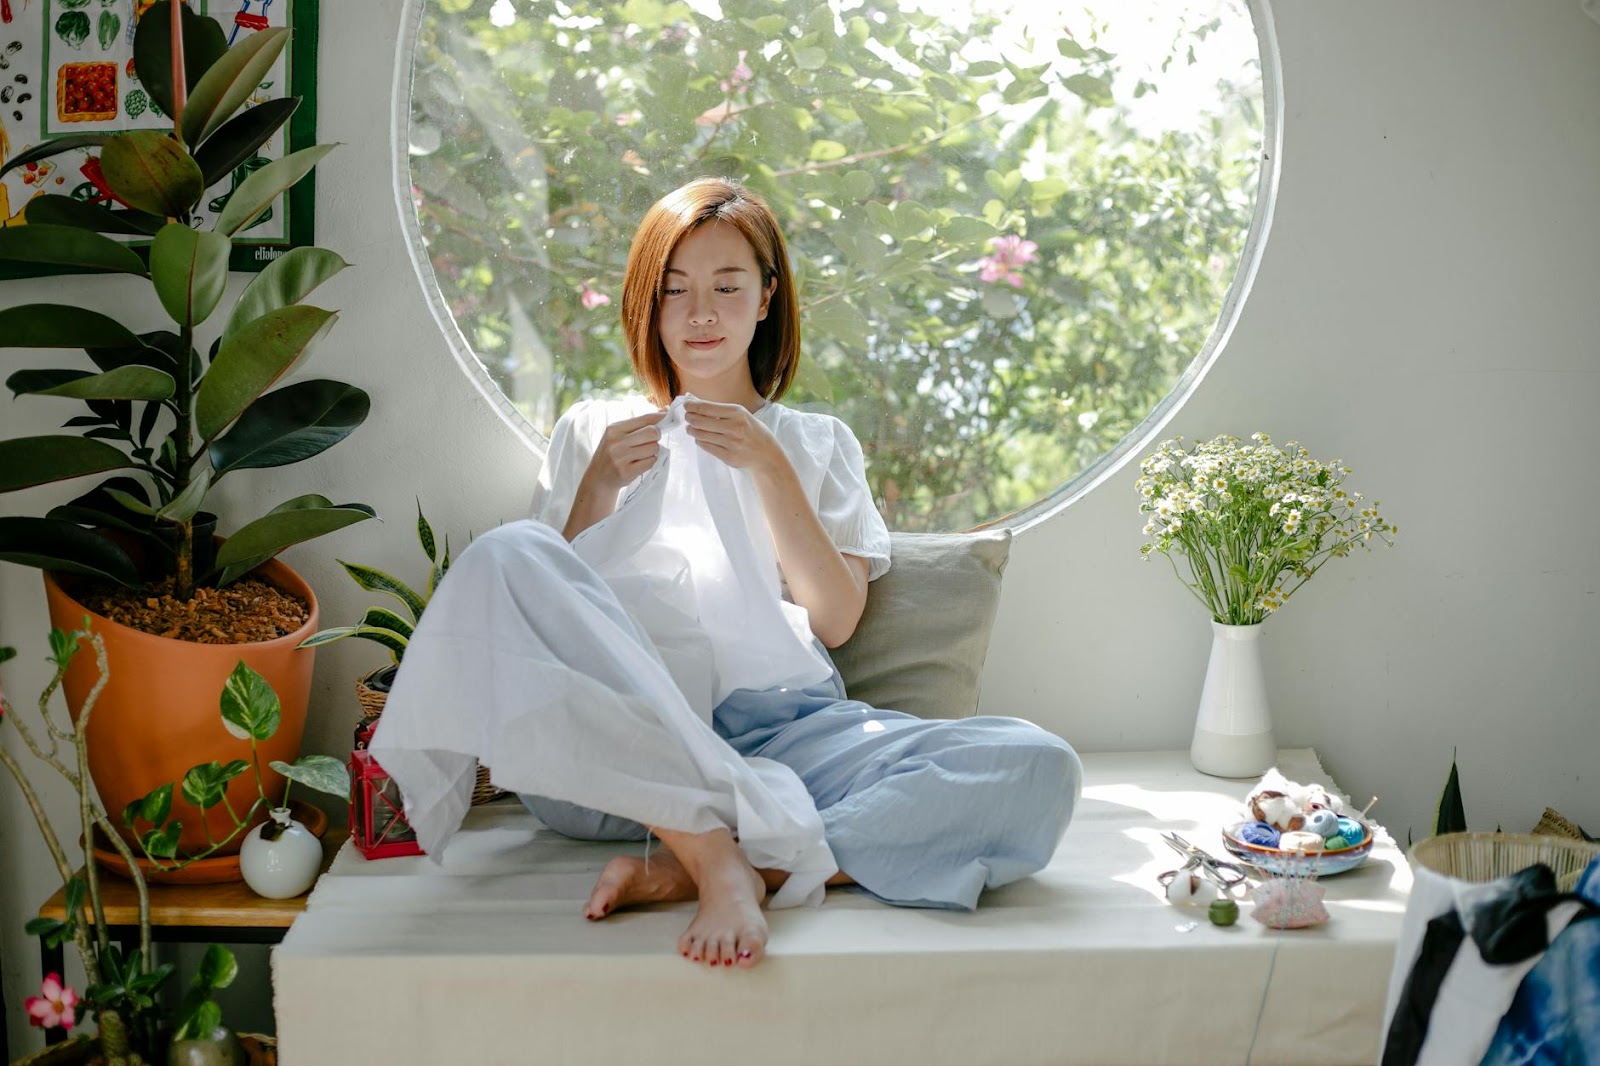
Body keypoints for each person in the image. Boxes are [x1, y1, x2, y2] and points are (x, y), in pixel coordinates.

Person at [369, 177, 1080, 973]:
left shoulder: (816, 442)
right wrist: (598, 487)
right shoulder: (593, 430)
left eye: (726, 287)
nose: (700, 314)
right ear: (648, 303)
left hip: (786, 735)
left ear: (768, 297)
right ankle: (714, 849)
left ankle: (728, 864)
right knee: (506, 552)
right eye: (675, 292)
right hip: (621, 750)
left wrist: (771, 470)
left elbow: (837, 620)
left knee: (1037, 766)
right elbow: (538, 613)